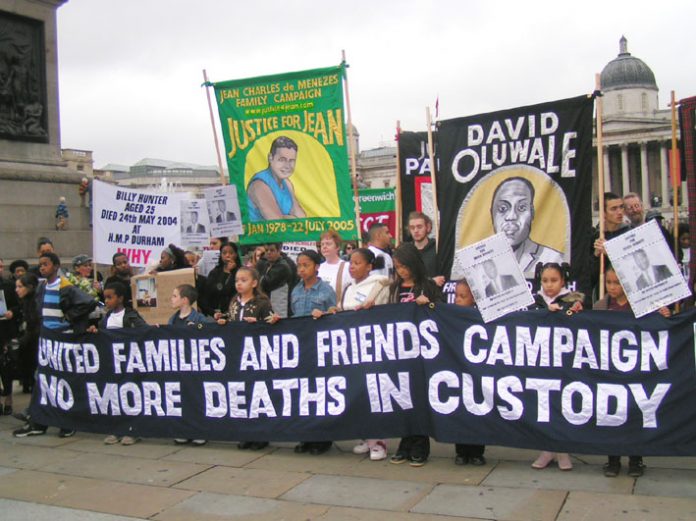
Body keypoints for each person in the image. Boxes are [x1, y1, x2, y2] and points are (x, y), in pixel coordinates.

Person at [594, 265, 670, 478]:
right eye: (608, 283)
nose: (612, 287)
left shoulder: (642, 306)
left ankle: (636, 459)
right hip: (609, 371)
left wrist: (664, 315)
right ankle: (613, 459)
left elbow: (660, 329)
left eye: (617, 283)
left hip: (636, 370)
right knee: (612, 415)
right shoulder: (601, 306)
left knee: (636, 414)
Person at [13, 252, 97, 438]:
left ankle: (66, 423)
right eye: (40, 264)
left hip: (62, 341)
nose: (42, 267)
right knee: (43, 379)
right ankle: (39, 421)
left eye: (46, 264)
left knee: (63, 382)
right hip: (47, 340)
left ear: (56, 266)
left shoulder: (65, 286)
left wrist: (69, 318)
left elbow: (88, 302)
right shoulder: (42, 287)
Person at [272, 249, 335, 455]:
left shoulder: (325, 290)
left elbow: (336, 317)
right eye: (299, 265)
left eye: (305, 265)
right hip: (300, 347)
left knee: (320, 391)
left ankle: (323, 437)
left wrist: (325, 314)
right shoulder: (296, 290)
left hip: (319, 347)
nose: (301, 269)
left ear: (316, 267)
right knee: (303, 392)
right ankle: (306, 435)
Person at [388, 243, 442, 467]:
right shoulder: (393, 288)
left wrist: (428, 304)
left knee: (419, 398)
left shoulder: (426, 286)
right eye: (398, 267)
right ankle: (405, 442)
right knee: (403, 398)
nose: (401, 271)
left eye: (404, 266)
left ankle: (420, 445)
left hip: (421, 352)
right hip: (399, 351)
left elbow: (442, 312)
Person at [336, 248, 390, 461]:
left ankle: (379, 441)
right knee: (357, 392)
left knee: (374, 392)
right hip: (351, 347)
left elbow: (384, 311)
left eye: (357, 263)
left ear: (369, 266)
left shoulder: (379, 285)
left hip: (371, 346)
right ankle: (365, 437)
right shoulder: (349, 287)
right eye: (350, 262)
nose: (352, 266)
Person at [529, 263, 583, 471]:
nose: (549, 285)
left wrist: (572, 312)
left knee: (561, 406)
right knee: (543, 407)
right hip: (540, 363)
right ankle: (546, 450)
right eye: (545, 281)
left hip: (564, 364)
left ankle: (562, 450)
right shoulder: (535, 302)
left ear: (563, 282)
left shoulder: (573, 300)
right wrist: (544, 312)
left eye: (554, 281)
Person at [215, 267, 273, 451]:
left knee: (258, 393)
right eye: (237, 280)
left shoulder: (262, 303)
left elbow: (272, 325)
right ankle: (247, 432)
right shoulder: (234, 302)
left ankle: (262, 435)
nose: (239, 283)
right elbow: (232, 320)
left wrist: (259, 325)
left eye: (243, 280)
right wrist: (224, 320)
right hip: (238, 353)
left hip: (256, 354)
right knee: (242, 394)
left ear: (254, 283)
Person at [88, 281, 147, 446]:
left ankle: (133, 429)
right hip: (111, 364)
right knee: (115, 397)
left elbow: (143, 332)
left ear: (120, 298)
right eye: (105, 298)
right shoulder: (107, 317)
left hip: (128, 363)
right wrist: (95, 332)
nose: (106, 301)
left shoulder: (131, 316)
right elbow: (102, 335)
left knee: (131, 396)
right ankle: (117, 428)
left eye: (110, 297)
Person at [491, 177, 564, 277]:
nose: (511, 217)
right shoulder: (478, 261)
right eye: (502, 208)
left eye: (521, 208)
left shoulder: (553, 258)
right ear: (491, 213)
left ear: (532, 213)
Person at [169, 284, 213, 447]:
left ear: (185, 300)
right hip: (179, 365)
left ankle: (200, 431)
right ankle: (184, 431)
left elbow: (208, 334)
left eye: (174, 296)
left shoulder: (199, 319)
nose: (171, 299)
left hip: (195, 366)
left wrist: (197, 330)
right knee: (182, 399)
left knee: (197, 398)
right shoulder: (173, 319)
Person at [452, 279, 487, 466]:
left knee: (478, 411)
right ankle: (461, 451)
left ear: (474, 298)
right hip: (458, 371)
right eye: (456, 295)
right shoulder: (450, 315)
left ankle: (477, 452)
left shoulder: (481, 316)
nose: (458, 299)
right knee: (460, 411)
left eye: (463, 296)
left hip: (477, 372)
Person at [247, 135, 306, 222]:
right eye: (282, 159)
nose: (287, 166)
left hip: (287, 235)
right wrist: (292, 219)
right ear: (270, 158)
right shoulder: (259, 185)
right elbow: (277, 222)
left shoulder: (287, 183)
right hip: (264, 235)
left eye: (291, 160)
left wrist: (289, 218)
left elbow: (302, 218)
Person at [592, 192, 630, 296]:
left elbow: (633, 266)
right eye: (614, 209)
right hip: (604, 295)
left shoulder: (630, 234)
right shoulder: (596, 236)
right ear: (603, 213)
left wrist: (611, 252)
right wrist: (596, 255)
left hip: (627, 295)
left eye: (621, 207)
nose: (620, 212)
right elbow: (590, 277)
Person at [14, 273, 40, 395]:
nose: (17, 290)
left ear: (29, 287)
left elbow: (34, 323)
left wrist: (22, 341)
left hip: (35, 341)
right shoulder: (26, 301)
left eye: (20, 287)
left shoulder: (34, 302)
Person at [0, 258, 19, 414]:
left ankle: (8, 398)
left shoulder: (9, 286)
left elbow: (18, 305)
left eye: (0, 266)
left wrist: (12, 311)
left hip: (6, 330)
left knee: (6, 365)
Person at [199, 241, 240, 316]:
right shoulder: (215, 272)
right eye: (224, 253)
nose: (227, 255)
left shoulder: (241, 271)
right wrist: (212, 312)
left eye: (231, 253)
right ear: (220, 255)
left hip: (234, 313)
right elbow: (208, 293)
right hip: (215, 313)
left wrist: (233, 271)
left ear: (236, 255)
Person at [257, 243, 294, 318]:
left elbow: (265, 283)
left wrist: (257, 278)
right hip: (268, 304)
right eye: (267, 250)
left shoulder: (283, 266)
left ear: (279, 251)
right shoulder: (267, 264)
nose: (268, 253)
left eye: (272, 250)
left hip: (279, 306)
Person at [408, 211, 444, 286]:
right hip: (413, 295)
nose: (415, 231)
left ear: (428, 227)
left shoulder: (437, 247)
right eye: (412, 228)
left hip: (436, 295)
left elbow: (442, 277)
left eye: (419, 227)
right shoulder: (407, 251)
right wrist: (431, 281)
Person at [318, 230, 352, 304]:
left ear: (337, 247)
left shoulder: (347, 267)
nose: (324, 247)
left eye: (328, 244)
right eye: (322, 244)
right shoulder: (318, 268)